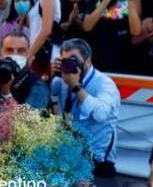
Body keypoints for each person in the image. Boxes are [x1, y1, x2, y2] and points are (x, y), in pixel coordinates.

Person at [50, 39, 120, 175]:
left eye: (73, 60)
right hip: (69, 158)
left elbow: (101, 114)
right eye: (64, 61)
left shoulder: (105, 84)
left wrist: (76, 87)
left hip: (97, 162)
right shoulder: (60, 82)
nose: (69, 65)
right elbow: (56, 110)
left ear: (87, 61)